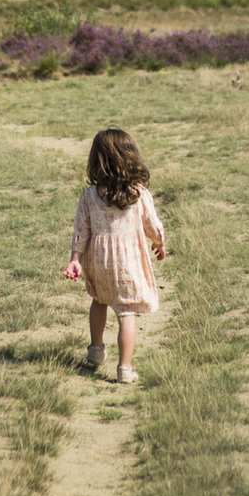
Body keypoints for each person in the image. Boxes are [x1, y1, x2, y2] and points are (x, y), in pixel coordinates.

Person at [63, 128, 165, 384]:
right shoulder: (139, 194)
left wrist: (76, 259)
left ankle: (95, 348)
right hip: (127, 263)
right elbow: (153, 225)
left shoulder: (89, 196)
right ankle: (124, 368)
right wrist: (159, 243)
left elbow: (81, 230)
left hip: (97, 261)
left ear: (97, 161)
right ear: (130, 158)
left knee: (99, 300)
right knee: (125, 312)